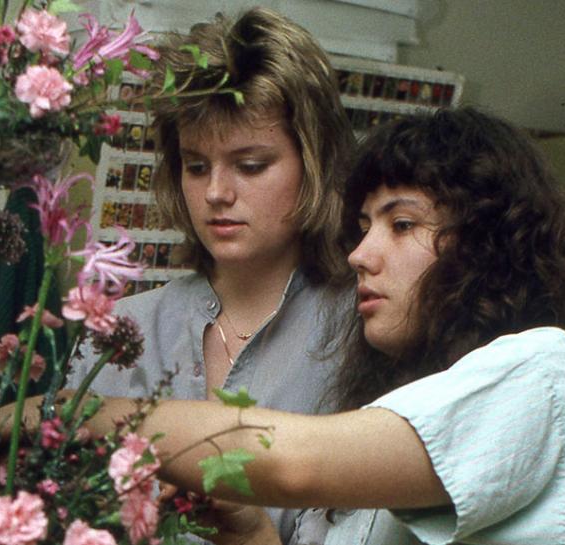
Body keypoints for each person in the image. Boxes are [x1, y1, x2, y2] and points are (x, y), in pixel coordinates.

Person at [78, 108, 565, 544]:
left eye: (401, 224)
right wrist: (249, 529)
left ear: (488, 243)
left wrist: (68, 413)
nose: (360, 255)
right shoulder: (401, 415)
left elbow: (290, 465)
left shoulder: (547, 373)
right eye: (364, 227)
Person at [65, 7, 356, 542]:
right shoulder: (118, 330)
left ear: (315, 162)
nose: (217, 193)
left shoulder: (363, 331)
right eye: (196, 165)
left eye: (250, 165)